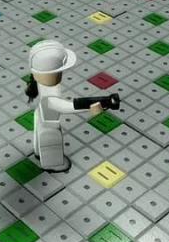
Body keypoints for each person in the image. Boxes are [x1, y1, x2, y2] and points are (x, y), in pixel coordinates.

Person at [24, 40, 121, 172]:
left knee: (40, 135)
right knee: (52, 141)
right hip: (50, 125)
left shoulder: (41, 84)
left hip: (40, 115)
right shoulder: (51, 98)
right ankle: (53, 164)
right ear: (55, 73)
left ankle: (38, 152)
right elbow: (69, 107)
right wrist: (92, 107)